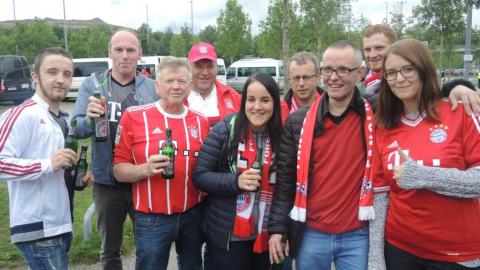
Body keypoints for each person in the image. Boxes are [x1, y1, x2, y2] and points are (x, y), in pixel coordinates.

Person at [369, 38, 480, 270]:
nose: (399, 79)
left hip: (456, 253)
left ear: (424, 70)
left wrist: (423, 176)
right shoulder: (383, 127)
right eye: (391, 73)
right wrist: (376, 259)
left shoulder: (459, 112)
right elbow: (380, 197)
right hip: (400, 249)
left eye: (408, 69)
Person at [268, 40, 374, 270]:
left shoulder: (374, 113)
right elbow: (285, 181)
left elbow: (417, 93)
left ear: (360, 72)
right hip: (312, 234)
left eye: (343, 69)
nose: (334, 77)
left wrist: (458, 87)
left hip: (358, 235)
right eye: (328, 69)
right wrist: (277, 229)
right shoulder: (298, 121)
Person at [72, 29, 158, 270]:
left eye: (131, 50)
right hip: (107, 183)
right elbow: (76, 129)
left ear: (140, 54)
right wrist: (88, 119)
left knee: (148, 246)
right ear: (109, 52)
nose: (125, 56)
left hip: (143, 179)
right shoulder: (92, 84)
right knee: (110, 249)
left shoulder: (151, 87)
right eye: (119, 50)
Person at [113, 56, 210, 270]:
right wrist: (144, 169)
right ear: (157, 86)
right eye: (169, 81)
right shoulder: (134, 117)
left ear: (190, 86)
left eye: (182, 81)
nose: (175, 86)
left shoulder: (201, 121)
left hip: (192, 215)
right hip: (151, 219)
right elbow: (118, 171)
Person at [193, 73, 283, 270]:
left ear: (275, 103)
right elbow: (200, 176)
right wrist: (236, 181)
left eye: (265, 100)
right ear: (243, 102)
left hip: (268, 234)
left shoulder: (283, 135)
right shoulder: (225, 129)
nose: (257, 106)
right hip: (230, 234)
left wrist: (280, 229)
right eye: (251, 99)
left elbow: (287, 189)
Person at [0, 47, 77, 269]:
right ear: (35, 76)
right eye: (52, 72)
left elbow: (57, 166)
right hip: (37, 228)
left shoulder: (63, 117)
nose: (60, 80)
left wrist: (75, 175)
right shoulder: (23, 114)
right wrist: (48, 164)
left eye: (67, 74)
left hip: (61, 223)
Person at [363, 24, 480, 115]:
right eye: (367, 49)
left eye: (379, 48)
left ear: (395, 47)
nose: (372, 55)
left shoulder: (408, 79)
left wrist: (456, 86)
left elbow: (431, 93)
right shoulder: (363, 82)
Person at [187, 42, 241, 126]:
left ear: (216, 67)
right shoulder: (176, 98)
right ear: (188, 67)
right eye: (198, 66)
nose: (205, 72)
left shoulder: (234, 97)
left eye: (210, 66)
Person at [281, 51, 323, 123]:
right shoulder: (278, 111)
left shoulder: (332, 108)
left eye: (306, 77)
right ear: (289, 80)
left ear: (317, 77)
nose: (301, 83)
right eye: (296, 78)